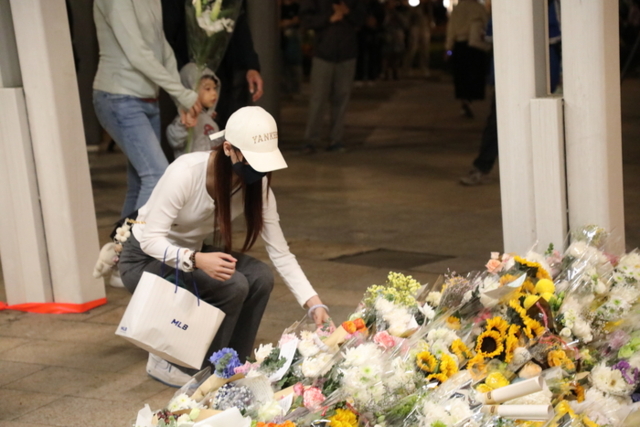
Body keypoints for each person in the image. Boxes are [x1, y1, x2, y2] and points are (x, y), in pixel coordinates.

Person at [117, 106, 331, 387]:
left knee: (260, 277)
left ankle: (232, 365)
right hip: (144, 259)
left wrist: (314, 303)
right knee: (233, 284)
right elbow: (149, 239)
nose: (259, 169)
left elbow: (280, 251)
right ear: (228, 148)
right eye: (253, 160)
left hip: (191, 253)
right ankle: (184, 365)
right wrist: (196, 259)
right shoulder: (186, 172)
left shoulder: (257, 186)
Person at [92, 0, 201, 218]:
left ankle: (124, 240)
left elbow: (163, 49)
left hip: (149, 99)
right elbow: (137, 53)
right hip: (119, 96)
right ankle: (139, 240)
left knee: (140, 182)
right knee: (156, 175)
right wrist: (183, 95)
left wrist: (179, 97)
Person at [460, 1, 562, 186]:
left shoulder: (548, 6)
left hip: (535, 71)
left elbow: (555, 35)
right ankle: (484, 167)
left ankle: (544, 172)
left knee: (536, 121)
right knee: (499, 122)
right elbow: (491, 34)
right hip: (515, 71)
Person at [300, 0, 367, 153]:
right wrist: (329, 18)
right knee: (318, 99)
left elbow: (362, 18)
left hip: (347, 53)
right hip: (323, 53)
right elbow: (306, 19)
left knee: (341, 99)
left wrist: (347, 12)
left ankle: (336, 139)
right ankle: (310, 140)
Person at [215, 2, 264, 129]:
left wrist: (252, 66)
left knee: (232, 125)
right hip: (196, 72)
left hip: (231, 71)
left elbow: (240, 25)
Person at [445, 0, 489, 119]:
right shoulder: (478, 8)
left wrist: (448, 49)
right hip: (475, 46)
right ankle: (469, 100)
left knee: (462, 76)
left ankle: (464, 100)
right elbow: (486, 25)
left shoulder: (457, 9)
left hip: (460, 45)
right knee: (474, 75)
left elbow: (451, 30)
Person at [167, 64, 222, 158]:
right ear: (191, 89)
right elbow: (174, 140)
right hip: (192, 166)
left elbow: (215, 142)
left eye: (215, 88)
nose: (214, 93)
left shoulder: (210, 119)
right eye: (207, 89)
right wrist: (184, 125)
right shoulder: (185, 118)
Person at [281, 0, 304, 96]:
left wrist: (287, 23)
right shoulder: (279, 8)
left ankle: (295, 90)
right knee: (283, 65)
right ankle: (286, 90)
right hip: (281, 39)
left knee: (294, 64)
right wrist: (291, 22)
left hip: (294, 39)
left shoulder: (297, 7)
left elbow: (300, 20)